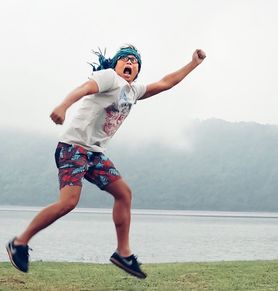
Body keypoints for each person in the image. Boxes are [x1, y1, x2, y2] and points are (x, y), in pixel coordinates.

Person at [6, 44, 206, 279]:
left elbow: (166, 82)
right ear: (116, 64)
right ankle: (19, 243)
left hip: (94, 153)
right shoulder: (109, 77)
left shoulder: (133, 91)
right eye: (125, 59)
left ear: (138, 70)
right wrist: (63, 106)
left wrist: (193, 63)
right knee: (68, 202)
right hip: (73, 147)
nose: (130, 62)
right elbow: (83, 88)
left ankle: (123, 253)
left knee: (124, 193)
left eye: (135, 61)